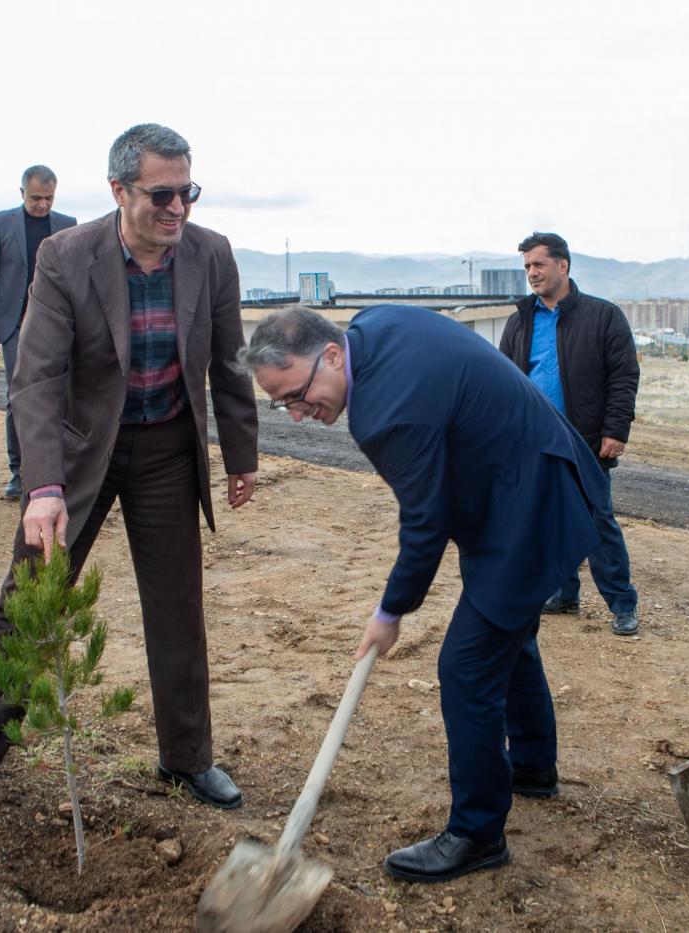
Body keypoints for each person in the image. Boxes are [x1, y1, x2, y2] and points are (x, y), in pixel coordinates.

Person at [0, 124, 259, 842]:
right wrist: (43, 487)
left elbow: (229, 359)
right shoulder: (65, 255)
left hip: (168, 449)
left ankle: (187, 757)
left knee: (178, 609)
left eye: (187, 192)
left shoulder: (211, 254)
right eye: (161, 194)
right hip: (81, 450)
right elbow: (36, 377)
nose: (178, 207)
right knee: (27, 600)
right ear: (119, 190)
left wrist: (241, 455)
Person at [245, 305, 607, 883]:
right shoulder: (372, 328)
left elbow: (424, 524)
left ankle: (477, 834)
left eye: (296, 394)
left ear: (331, 354)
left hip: (530, 506)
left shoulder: (384, 412)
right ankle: (533, 766)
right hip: (520, 486)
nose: (296, 412)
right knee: (506, 632)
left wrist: (390, 611)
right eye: (279, 403)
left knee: (467, 665)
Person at [499, 232, 641, 636]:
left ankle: (623, 604)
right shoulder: (520, 320)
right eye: (527, 266)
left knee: (597, 524)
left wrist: (615, 430)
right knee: (546, 522)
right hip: (535, 442)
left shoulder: (603, 316)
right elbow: (505, 379)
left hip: (585, 440)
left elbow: (624, 376)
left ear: (563, 265)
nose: (532, 272)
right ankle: (563, 594)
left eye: (538, 264)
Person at [0, 165, 76, 500]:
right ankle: (20, 472)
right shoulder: (1, 223)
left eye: (48, 198)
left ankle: (60, 469)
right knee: (19, 398)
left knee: (63, 398)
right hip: (15, 326)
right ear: (22, 193)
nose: (42, 204)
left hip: (58, 327)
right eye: (35, 198)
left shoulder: (68, 226)